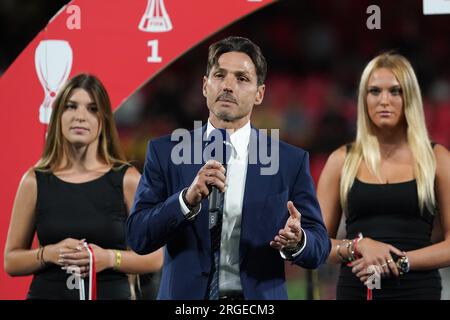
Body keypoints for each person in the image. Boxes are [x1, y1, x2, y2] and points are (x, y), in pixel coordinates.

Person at [126, 36, 331, 300]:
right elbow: (139, 237)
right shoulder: (165, 153)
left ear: (260, 94)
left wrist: (299, 240)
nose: (228, 86)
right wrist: (186, 200)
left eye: (242, 78)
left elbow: (320, 246)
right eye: (219, 75)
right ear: (205, 86)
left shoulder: (288, 161)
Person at [4, 73, 163, 299]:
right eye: (71, 106)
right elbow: (11, 261)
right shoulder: (34, 180)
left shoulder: (127, 179)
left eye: (92, 109)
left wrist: (108, 258)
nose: (80, 116)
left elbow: (155, 258)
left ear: (104, 119)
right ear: (58, 115)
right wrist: (48, 253)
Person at [317, 53, 450, 299]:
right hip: (356, 291)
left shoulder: (437, 159)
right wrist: (357, 246)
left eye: (395, 91)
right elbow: (317, 244)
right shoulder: (341, 160)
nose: (384, 100)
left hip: (418, 291)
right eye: (375, 91)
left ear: (409, 97)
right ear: (364, 98)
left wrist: (399, 262)